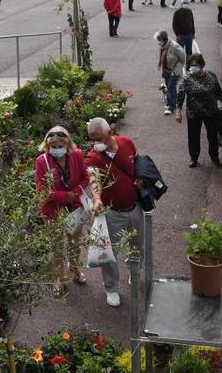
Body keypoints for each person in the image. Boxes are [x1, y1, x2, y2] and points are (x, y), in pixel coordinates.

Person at [85, 117, 144, 308]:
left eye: (99, 138)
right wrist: (97, 198)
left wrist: (141, 177)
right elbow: (94, 179)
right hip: (113, 213)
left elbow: (138, 164)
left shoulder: (126, 142)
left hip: (135, 208)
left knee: (137, 245)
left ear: (109, 131)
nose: (97, 144)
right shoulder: (93, 157)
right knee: (109, 252)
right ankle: (111, 288)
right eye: (93, 140)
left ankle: (133, 271)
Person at [34, 126, 90, 292]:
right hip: (52, 210)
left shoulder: (77, 155)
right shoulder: (41, 161)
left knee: (75, 243)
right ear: (47, 146)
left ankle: (74, 269)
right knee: (56, 245)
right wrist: (67, 196)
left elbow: (85, 177)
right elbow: (42, 191)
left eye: (60, 146)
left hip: (74, 208)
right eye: (53, 147)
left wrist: (74, 193)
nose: (57, 150)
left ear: (67, 144)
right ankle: (58, 278)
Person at [175, 53, 222, 168]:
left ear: (202, 65)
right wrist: (178, 111)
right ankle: (194, 158)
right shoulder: (186, 79)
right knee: (193, 137)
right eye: (191, 65)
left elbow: (218, 90)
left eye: (196, 65)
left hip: (211, 111)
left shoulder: (211, 75)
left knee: (212, 136)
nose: (193, 68)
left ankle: (214, 157)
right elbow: (181, 95)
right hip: (194, 112)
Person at [156, 30, 186, 116]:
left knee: (170, 87)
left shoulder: (174, 46)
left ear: (164, 39)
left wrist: (179, 67)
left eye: (159, 40)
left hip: (174, 70)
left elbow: (183, 56)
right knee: (170, 87)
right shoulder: (163, 46)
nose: (158, 42)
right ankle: (175, 103)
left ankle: (170, 107)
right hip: (166, 69)